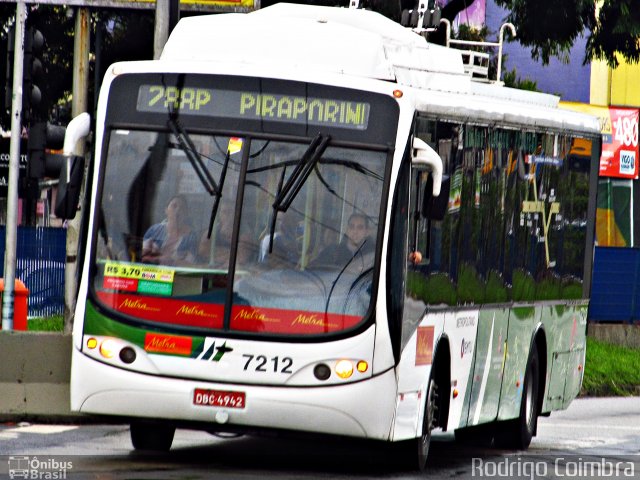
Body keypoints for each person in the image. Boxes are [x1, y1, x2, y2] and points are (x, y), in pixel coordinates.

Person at [141, 195, 199, 265]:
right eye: (174, 206)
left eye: (182, 208)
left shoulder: (191, 237)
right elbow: (143, 256)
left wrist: (169, 260)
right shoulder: (154, 231)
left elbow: (189, 263)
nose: (178, 210)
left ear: (186, 214)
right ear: (166, 210)